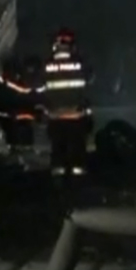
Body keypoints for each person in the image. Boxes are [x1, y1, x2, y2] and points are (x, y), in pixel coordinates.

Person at [38, 28, 92, 176]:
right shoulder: (80, 63)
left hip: (55, 117)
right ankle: (78, 177)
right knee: (77, 151)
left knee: (58, 150)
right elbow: (89, 83)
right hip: (76, 116)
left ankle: (58, 179)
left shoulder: (47, 65)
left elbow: (41, 88)